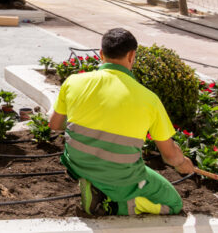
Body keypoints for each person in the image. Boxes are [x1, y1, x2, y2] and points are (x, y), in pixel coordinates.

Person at [50, 28, 194, 216]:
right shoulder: (149, 99)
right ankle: (109, 205)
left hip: (77, 164)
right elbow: (170, 156)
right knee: (173, 203)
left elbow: (55, 124)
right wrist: (183, 163)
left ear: (101, 54)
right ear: (132, 55)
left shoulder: (74, 81)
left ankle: (95, 187)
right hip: (120, 177)